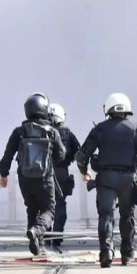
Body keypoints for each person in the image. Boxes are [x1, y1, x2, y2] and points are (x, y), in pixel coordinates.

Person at [75, 93, 137, 268]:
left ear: (108, 109)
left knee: (106, 216)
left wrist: (84, 171)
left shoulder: (99, 129)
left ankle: (106, 252)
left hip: (105, 179)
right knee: (127, 216)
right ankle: (127, 254)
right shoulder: (136, 129)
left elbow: (82, 155)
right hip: (128, 180)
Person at [0, 94, 65, 256]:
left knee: (32, 208)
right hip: (45, 177)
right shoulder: (52, 132)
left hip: (24, 178)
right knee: (49, 209)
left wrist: (3, 174)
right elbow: (61, 155)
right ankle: (37, 231)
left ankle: (36, 243)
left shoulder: (19, 132)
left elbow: (7, 155)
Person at [47, 103, 80, 249]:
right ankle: (57, 235)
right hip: (61, 172)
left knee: (44, 205)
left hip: (43, 173)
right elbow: (79, 152)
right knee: (60, 204)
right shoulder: (68, 133)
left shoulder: (39, 130)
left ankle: (46, 235)